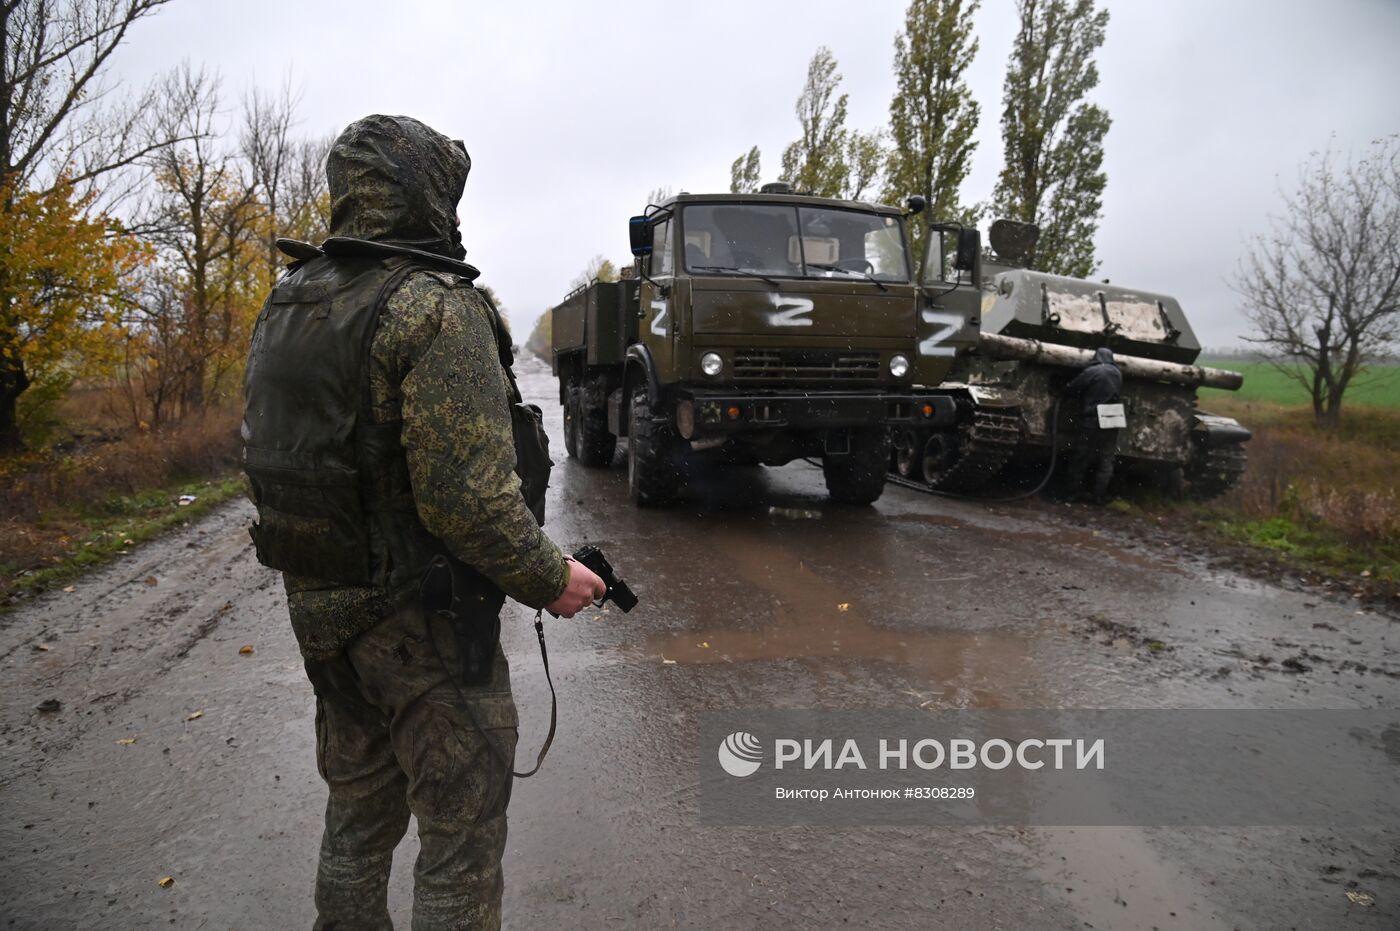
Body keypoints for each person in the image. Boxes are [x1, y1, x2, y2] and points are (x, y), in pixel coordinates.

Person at [240, 114, 605, 931]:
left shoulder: (289, 302)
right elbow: (466, 502)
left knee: (358, 811)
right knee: (459, 836)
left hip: (322, 614)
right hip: (422, 624)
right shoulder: (434, 309)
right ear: (424, 193)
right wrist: (552, 578)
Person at [1061, 346, 1124, 505]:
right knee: (1106, 460)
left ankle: (1071, 494)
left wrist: (1065, 390)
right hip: (1113, 415)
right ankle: (1099, 496)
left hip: (1093, 416)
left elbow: (1073, 387)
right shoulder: (1117, 373)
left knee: (1081, 457)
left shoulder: (1093, 371)